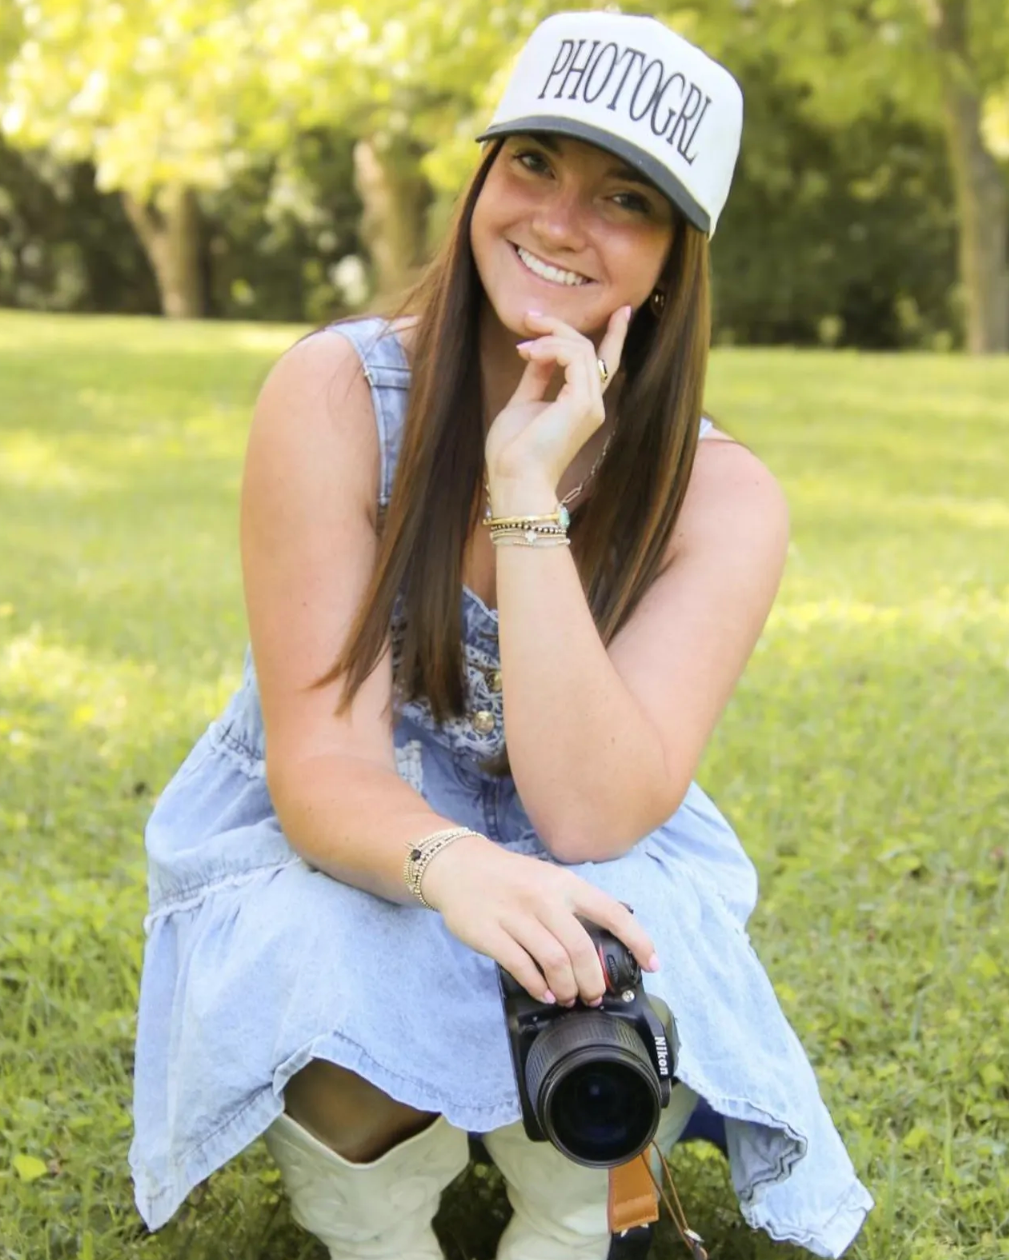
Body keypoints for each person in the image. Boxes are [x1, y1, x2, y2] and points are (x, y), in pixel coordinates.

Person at [129, 10, 873, 1259]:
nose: (559, 222)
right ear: (483, 175)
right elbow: (321, 772)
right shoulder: (333, 395)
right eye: (534, 163)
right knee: (326, 938)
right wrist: (449, 867)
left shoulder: (725, 498)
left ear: (676, 256)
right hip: (367, 828)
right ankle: (372, 1211)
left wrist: (527, 495)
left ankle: (575, 1206)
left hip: (587, 834)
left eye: (624, 198)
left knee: (620, 945)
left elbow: (587, 818)